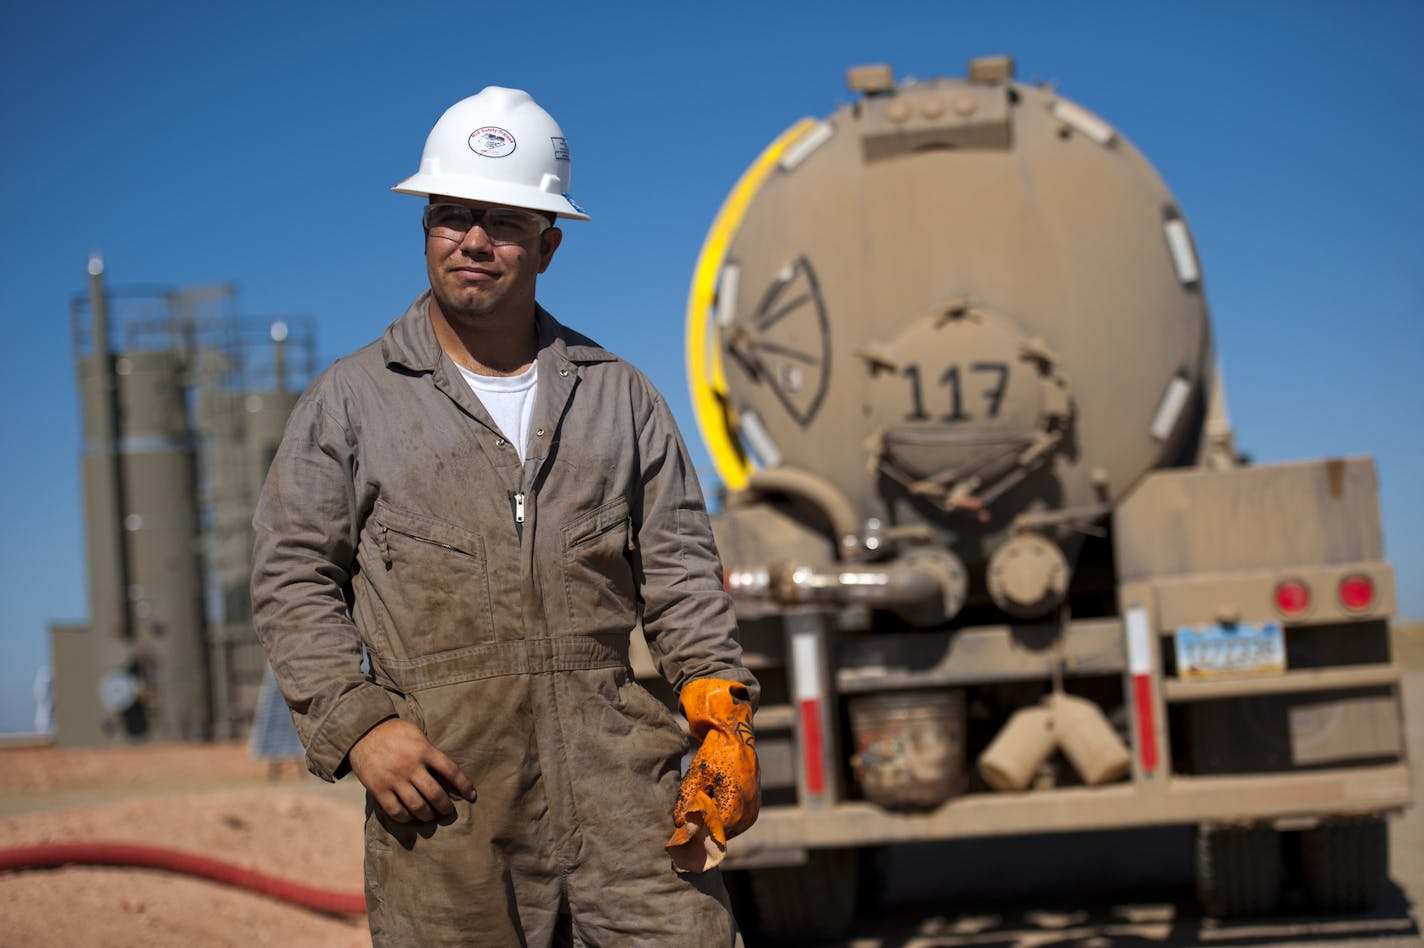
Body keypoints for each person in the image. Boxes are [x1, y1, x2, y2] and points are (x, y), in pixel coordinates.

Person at [250, 87, 759, 946]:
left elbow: (679, 577)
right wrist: (359, 724)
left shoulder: (620, 397)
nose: (474, 241)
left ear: (547, 244)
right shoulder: (353, 402)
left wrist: (719, 706)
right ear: (425, 229)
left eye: (505, 221)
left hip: (625, 793)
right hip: (446, 804)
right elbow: (291, 574)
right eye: (451, 216)